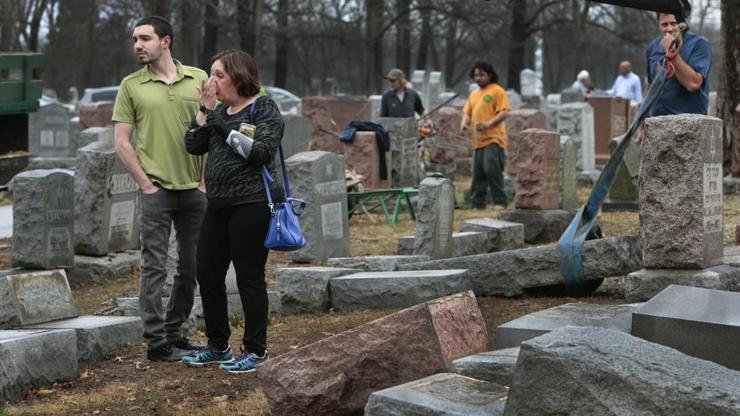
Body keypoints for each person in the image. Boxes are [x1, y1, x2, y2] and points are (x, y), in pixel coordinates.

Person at [181, 50, 284, 374]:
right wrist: (205, 111)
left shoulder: (262, 107)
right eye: (211, 74)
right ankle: (217, 345)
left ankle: (256, 349)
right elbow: (192, 145)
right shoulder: (218, 110)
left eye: (219, 75)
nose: (211, 82)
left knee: (249, 277)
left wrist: (222, 125)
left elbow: (261, 152)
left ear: (240, 76)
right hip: (218, 205)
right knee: (207, 273)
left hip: (251, 204)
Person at [112, 16, 207, 362]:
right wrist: (146, 185)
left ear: (165, 41)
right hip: (156, 190)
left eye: (145, 38)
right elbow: (121, 142)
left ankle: (176, 332)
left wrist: (203, 180)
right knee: (154, 266)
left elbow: (211, 129)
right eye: (134, 39)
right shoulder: (131, 85)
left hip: (194, 191)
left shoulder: (198, 78)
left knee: (192, 265)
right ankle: (155, 342)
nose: (137, 45)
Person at [459, 61, 510, 210]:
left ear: (489, 75)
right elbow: (467, 112)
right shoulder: (474, 94)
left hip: (493, 138)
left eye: (482, 75)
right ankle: (477, 203)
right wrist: (464, 123)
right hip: (477, 140)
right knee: (478, 173)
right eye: (476, 75)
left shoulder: (497, 91)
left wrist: (488, 124)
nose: (478, 78)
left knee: (491, 169)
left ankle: (500, 201)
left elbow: (505, 112)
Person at [646, 12, 711, 116]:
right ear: (658, 24)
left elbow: (693, 84)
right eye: (664, 24)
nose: (669, 29)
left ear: (682, 24)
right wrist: (641, 123)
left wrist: (672, 53)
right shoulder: (652, 48)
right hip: (658, 121)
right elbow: (650, 86)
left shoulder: (699, 44)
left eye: (673, 23)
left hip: (691, 122)